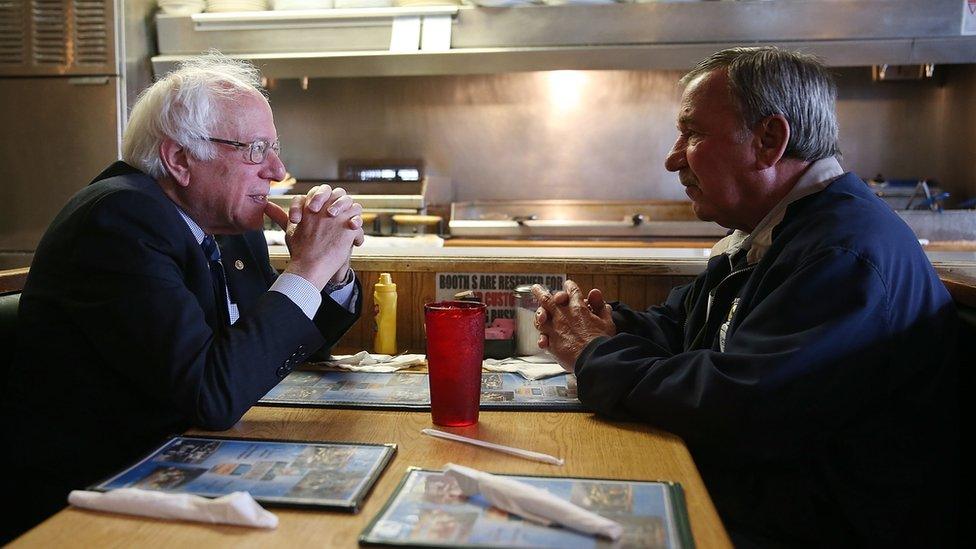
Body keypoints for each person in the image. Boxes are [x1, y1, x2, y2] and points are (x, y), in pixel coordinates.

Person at [533, 47, 958, 546]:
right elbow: (683, 329)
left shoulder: (843, 254)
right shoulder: (772, 231)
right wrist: (606, 326)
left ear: (769, 140)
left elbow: (738, 408)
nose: (673, 159)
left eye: (692, 133)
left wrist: (596, 352)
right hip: (764, 501)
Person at [1, 54, 365, 541]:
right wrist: (307, 269)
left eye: (274, 148)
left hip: (182, 464)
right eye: (255, 150)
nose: (277, 171)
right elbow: (212, 396)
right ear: (179, 160)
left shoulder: (224, 221)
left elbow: (282, 349)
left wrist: (330, 268)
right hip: (93, 503)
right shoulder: (119, 222)